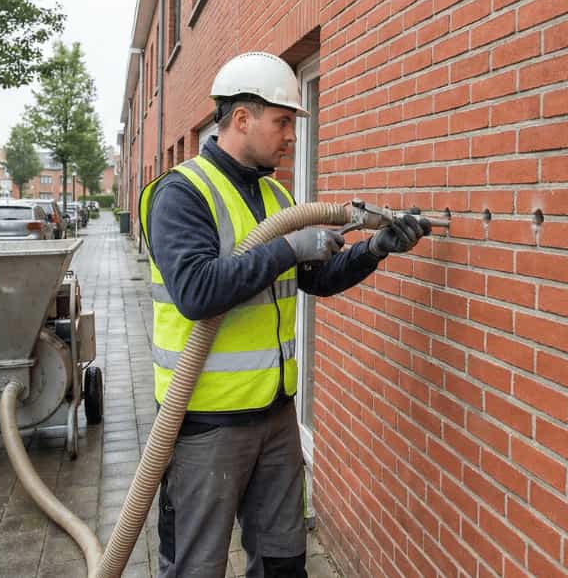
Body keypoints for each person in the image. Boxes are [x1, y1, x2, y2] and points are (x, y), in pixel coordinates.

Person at [138, 51, 429, 578]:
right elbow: (196, 291)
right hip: (205, 426)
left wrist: (375, 249)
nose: (291, 136)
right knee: (194, 567)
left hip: (275, 417)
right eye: (283, 122)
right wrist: (288, 249)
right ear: (242, 119)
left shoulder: (274, 194)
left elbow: (316, 278)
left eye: (292, 124)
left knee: (283, 562)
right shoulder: (182, 193)